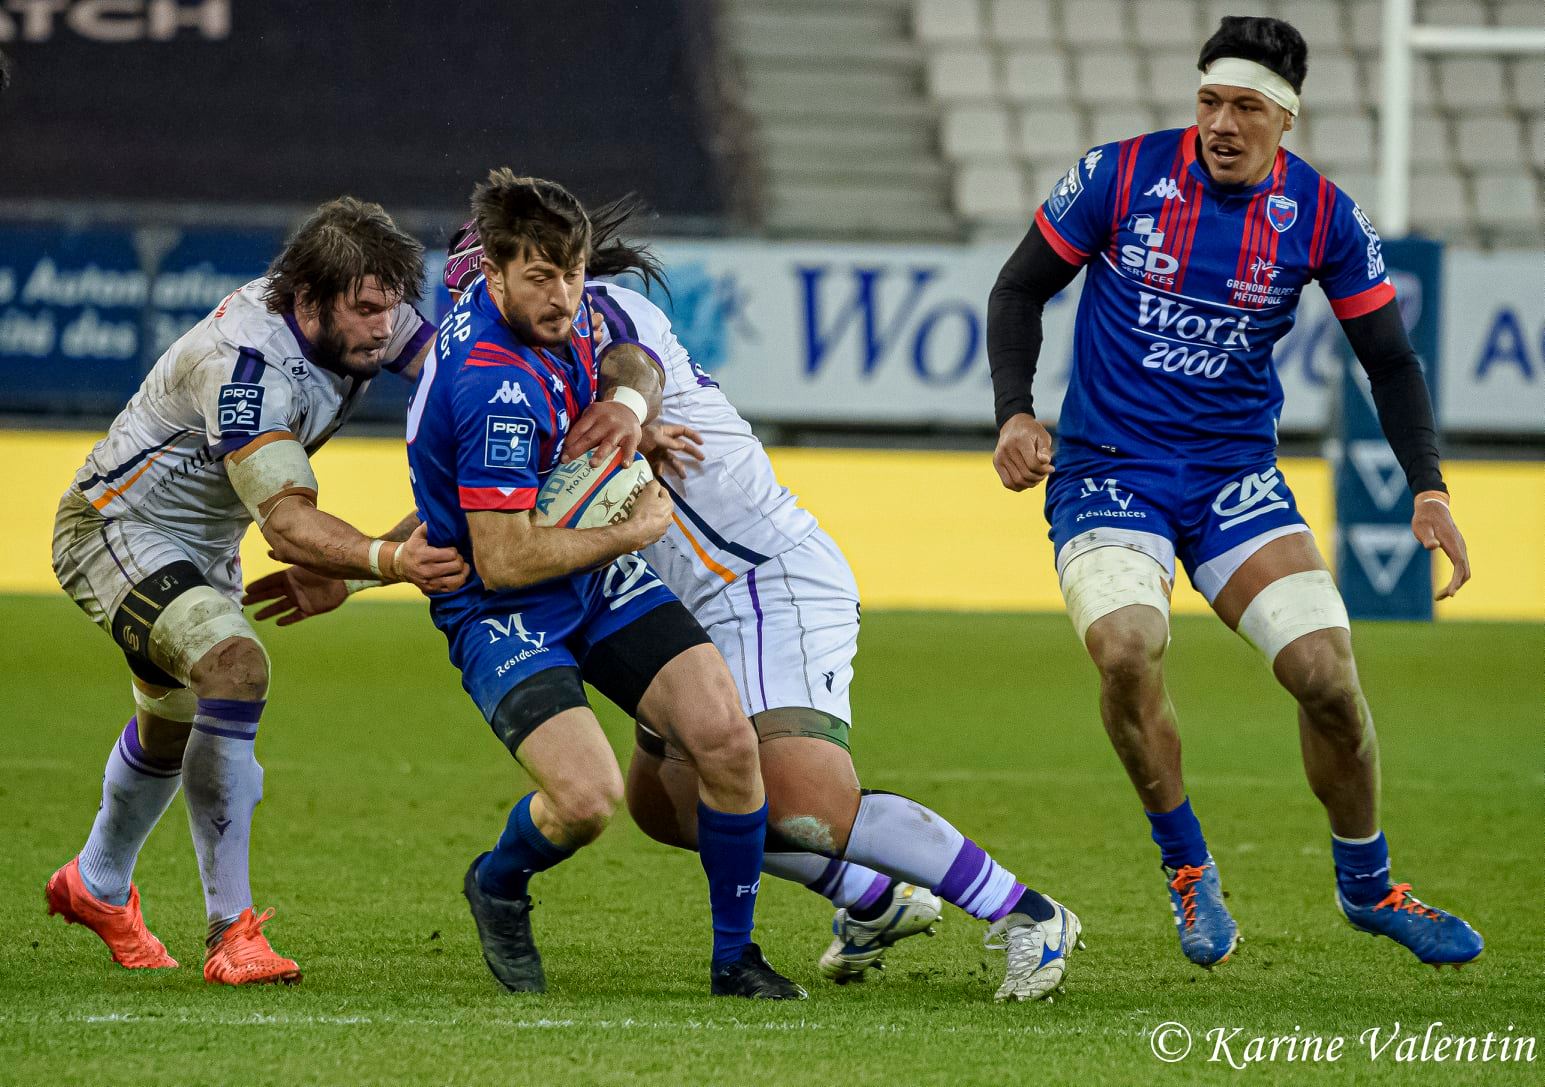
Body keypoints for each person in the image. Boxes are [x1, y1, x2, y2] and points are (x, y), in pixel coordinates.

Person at [257, 211, 1083, 1003]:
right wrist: (369, 568)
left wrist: (629, 411)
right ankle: (871, 896)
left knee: (805, 802)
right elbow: (500, 503)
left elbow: (632, 371)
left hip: (756, 580)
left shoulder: (605, 319)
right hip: (663, 591)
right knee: (667, 807)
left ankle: (1026, 912)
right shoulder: (509, 364)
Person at [985, 15, 1481, 971]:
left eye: (1243, 105)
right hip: (1108, 470)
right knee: (1127, 651)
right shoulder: (1118, 175)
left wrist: (1428, 488)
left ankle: (1369, 885)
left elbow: (1388, 359)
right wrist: (1015, 413)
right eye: (1208, 99)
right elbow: (1018, 291)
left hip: (1230, 480)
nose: (1219, 120)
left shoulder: (1324, 217)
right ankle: (1186, 865)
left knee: (1328, 679)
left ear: (1281, 120)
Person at [46, 197, 468, 985]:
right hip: (113, 528)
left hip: (203, 544)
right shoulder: (247, 369)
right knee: (234, 668)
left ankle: (96, 882)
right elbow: (286, 523)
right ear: (308, 300)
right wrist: (380, 558)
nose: (384, 328)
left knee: (172, 722)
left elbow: (458, 375)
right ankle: (231, 933)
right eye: (366, 309)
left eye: (393, 307)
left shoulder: (360, 312)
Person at [402, 170, 799, 998]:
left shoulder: (575, 311)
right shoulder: (492, 384)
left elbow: (628, 348)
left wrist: (626, 402)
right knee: (585, 802)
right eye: (541, 278)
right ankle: (499, 881)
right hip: (502, 603)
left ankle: (735, 957)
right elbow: (504, 559)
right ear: (495, 274)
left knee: (725, 738)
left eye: (573, 272)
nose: (564, 297)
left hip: (592, 569)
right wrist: (634, 532)